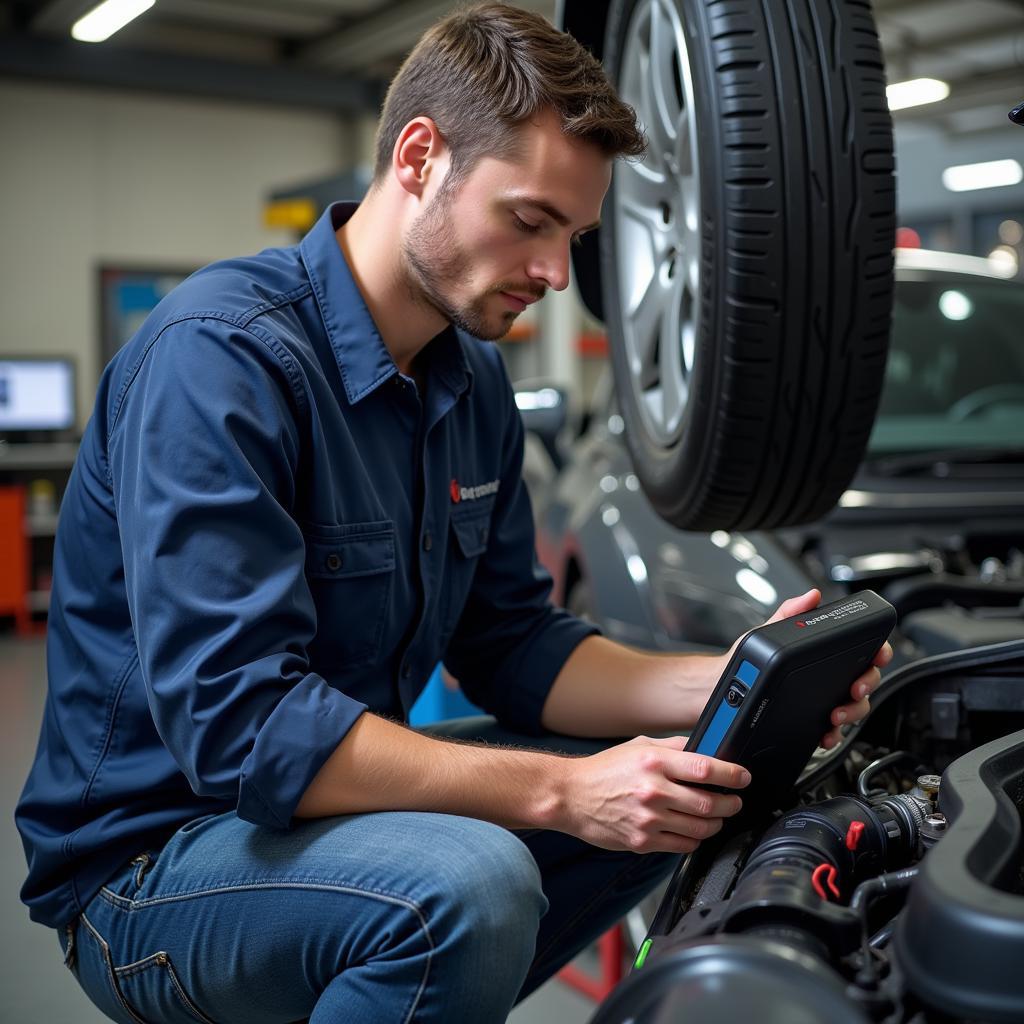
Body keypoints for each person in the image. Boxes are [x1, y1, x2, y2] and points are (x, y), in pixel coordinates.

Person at [16, 4, 891, 1022]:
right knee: (464, 884)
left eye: (572, 236)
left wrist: (738, 675)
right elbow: (243, 731)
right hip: (152, 863)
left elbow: (514, 645)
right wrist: (564, 794)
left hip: (320, 827)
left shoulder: (470, 384)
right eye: (529, 219)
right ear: (420, 156)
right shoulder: (220, 359)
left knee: (698, 782)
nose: (556, 274)